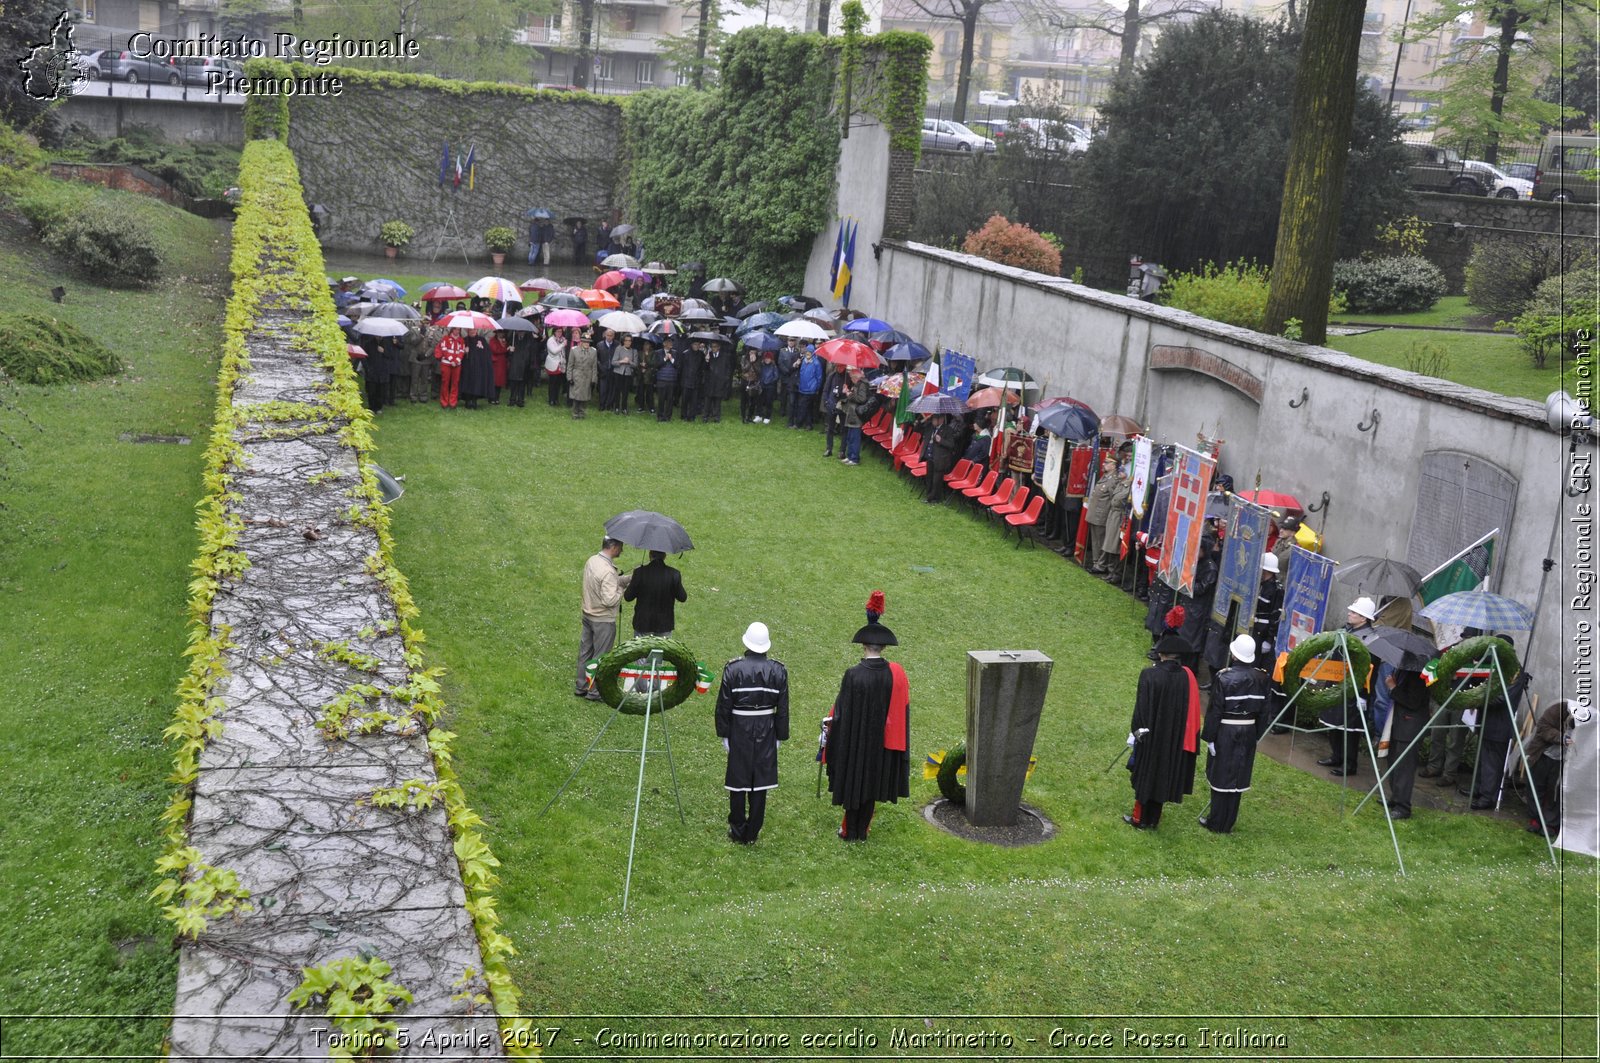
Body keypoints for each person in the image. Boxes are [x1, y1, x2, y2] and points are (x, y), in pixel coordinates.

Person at [823, 593, 910, 841]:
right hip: (880, 744)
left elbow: (842, 711)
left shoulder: (853, 674)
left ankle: (849, 831)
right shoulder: (893, 675)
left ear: (864, 646)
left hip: (855, 742)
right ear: (882, 647)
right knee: (871, 786)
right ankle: (861, 831)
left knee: (854, 784)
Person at [716, 622, 790, 845]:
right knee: (760, 781)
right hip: (766, 727)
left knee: (738, 780)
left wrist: (724, 733)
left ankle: (738, 829)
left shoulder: (733, 669)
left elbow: (723, 706)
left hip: (740, 726)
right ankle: (753, 831)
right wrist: (780, 735)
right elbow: (783, 708)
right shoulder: (778, 670)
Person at [1123, 633, 1202, 829]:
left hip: (1151, 734)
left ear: (1162, 655)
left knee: (1146, 774)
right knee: (1162, 775)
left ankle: (1139, 819)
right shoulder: (1185, 677)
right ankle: (1153, 820)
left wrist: (1136, 730)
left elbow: (1141, 708)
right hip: (1171, 735)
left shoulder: (1149, 675)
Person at [1199, 634, 1272, 833]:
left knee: (1221, 774)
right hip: (1248, 730)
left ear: (1234, 654)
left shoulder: (1224, 677)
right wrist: (1256, 734)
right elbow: (1265, 711)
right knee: (1239, 775)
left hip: (1227, 729)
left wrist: (1209, 737)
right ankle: (1228, 822)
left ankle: (1216, 822)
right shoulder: (1262, 677)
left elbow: (1214, 711)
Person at [1461, 637, 1530, 811]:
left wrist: (1477, 697)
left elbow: (1501, 698)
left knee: (1492, 762)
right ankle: (1478, 789)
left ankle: (1487, 797)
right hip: (1486, 721)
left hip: (1499, 724)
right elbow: (1483, 685)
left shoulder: (1514, 672)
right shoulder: (1496, 667)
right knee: (1482, 758)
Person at [1316, 596, 1378, 777]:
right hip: (1336, 682)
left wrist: (1361, 693)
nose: (1349, 614)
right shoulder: (1344, 629)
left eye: (1354, 612)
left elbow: (1368, 668)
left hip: (1354, 689)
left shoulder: (1371, 639)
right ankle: (1336, 755)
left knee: (1349, 728)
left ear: (1364, 618)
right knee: (1333, 723)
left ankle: (1349, 764)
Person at [575, 537, 632, 700]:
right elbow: (610, 599)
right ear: (613, 547)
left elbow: (609, 583)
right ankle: (594, 691)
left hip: (588, 614)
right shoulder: (607, 571)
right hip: (603, 620)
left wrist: (628, 579)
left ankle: (581, 686)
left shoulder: (592, 561)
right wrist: (621, 591)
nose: (622, 550)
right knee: (600, 656)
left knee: (585, 652)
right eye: (621, 547)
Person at [1383, 667, 1431, 820]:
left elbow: (1413, 702)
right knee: (1393, 762)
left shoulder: (1418, 673)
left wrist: (1393, 687)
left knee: (1404, 767)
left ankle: (1403, 807)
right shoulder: (1403, 668)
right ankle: (1396, 798)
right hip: (1399, 722)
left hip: (1410, 725)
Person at [1526, 699, 1577, 836]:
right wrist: (1561, 738)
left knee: (1554, 793)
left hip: (1563, 760)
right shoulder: (1559, 709)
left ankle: (1550, 824)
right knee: (1536, 788)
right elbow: (1543, 727)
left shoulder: (1588, 720)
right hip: (1543, 754)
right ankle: (1536, 819)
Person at [623, 550, 687, 639]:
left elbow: (628, 597)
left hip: (642, 624)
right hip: (664, 625)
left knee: (641, 652)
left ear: (650, 555)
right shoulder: (674, 574)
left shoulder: (640, 572)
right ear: (664, 556)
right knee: (662, 652)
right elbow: (682, 597)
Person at [923, 414, 961, 504]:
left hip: (940, 459)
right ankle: (929, 495)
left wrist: (941, 441)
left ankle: (933, 498)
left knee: (936, 480)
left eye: (934, 419)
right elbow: (920, 430)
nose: (933, 421)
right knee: (929, 478)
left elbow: (951, 445)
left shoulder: (948, 430)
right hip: (930, 456)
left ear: (940, 420)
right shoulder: (931, 427)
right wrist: (922, 421)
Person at [1252, 552, 1284, 659]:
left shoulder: (1276, 590)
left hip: (1263, 633)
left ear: (1265, 570)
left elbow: (1275, 616)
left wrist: (1269, 640)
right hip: (1254, 629)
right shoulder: (1261, 584)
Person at [840, 367, 871, 465]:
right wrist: (848, 391)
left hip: (857, 415)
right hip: (852, 414)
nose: (851, 379)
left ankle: (854, 458)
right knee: (850, 437)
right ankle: (850, 456)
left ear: (856, 377)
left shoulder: (862, 385)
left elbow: (862, 399)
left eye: (852, 377)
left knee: (854, 437)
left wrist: (849, 394)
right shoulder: (857, 384)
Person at [566, 329, 597, 419]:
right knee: (576, 395)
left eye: (588, 342)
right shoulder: (574, 350)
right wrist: (569, 378)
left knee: (585, 396)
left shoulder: (593, 351)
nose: (587, 344)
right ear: (581, 342)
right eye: (585, 342)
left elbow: (594, 367)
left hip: (588, 376)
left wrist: (594, 379)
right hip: (577, 375)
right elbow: (570, 365)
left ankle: (582, 413)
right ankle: (575, 413)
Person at [434, 327, 466, 410]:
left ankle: (453, 402)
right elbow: (444, 350)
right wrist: (452, 360)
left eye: (458, 330)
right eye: (455, 329)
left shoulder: (461, 340)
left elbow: (462, 351)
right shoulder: (446, 338)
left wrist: (457, 361)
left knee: (455, 383)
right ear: (452, 330)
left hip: (457, 365)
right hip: (446, 364)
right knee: (445, 383)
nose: (457, 331)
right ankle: (444, 402)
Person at [793, 346, 824, 429]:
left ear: (813, 353)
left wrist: (816, 388)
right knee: (808, 407)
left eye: (809, 352)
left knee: (802, 406)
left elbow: (819, 377)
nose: (808, 353)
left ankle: (798, 424)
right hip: (802, 388)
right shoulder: (803, 361)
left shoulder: (816, 363)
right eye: (807, 352)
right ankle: (809, 425)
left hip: (810, 389)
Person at [609, 333, 637, 413]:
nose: (628, 342)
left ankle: (624, 408)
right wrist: (621, 361)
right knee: (617, 391)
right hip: (618, 373)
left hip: (628, 374)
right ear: (623, 341)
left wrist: (629, 362)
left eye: (629, 341)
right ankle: (617, 407)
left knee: (626, 392)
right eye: (626, 340)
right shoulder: (619, 349)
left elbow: (635, 365)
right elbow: (613, 362)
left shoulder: (633, 351)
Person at [654, 342, 680, 422]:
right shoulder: (658, 352)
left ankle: (668, 416)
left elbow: (678, 365)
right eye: (669, 342)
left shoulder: (675, 353)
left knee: (670, 399)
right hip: (661, 379)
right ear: (664, 344)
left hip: (671, 379)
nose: (671, 344)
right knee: (661, 399)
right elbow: (656, 365)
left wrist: (671, 359)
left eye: (671, 342)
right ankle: (660, 416)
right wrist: (665, 359)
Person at [544, 330, 567, 407]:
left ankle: (556, 399)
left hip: (560, 364)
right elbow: (554, 351)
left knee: (558, 383)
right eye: (557, 332)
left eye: (560, 332)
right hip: (553, 364)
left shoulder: (562, 339)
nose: (559, 333)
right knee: (552, 383)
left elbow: (563, 352)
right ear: (554, 332)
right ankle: (551, 399)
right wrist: (562, 345)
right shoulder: (550, 340)